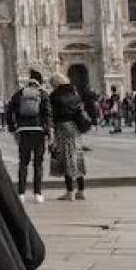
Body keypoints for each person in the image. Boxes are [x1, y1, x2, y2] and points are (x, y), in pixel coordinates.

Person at [6, 77, 52, 203]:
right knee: (38, 163)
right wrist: (48, 131)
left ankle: (21, 193)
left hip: (24, 131)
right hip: (38, 131)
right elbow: (48, 114)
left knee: (23, 163)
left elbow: (9, 111)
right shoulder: (42, 94)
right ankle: (37, 193)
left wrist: (12, 128)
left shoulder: (19, 94)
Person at [50, 73, 87, 201]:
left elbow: (53, 116)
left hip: (63, 128)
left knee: (66, 159)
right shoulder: (75, 95)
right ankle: (81, 191)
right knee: (77, 158)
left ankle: (70, 192)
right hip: (75, 128)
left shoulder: (55, 96)